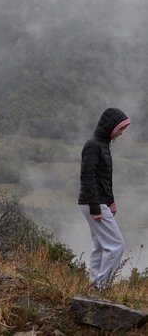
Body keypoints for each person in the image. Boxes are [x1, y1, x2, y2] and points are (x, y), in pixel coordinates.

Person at [78, 107, 130, 290]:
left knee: (99, 245)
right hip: (93, 202)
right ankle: (100, 287)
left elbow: (104, 178)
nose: (121, 133)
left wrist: (110, 202)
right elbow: (88, 176)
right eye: (121, 129)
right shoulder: (93, 145)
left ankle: (94, 286)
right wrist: (96, 207)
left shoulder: (102, 144)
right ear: (111, 126)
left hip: (98, 201)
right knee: (116, 245)